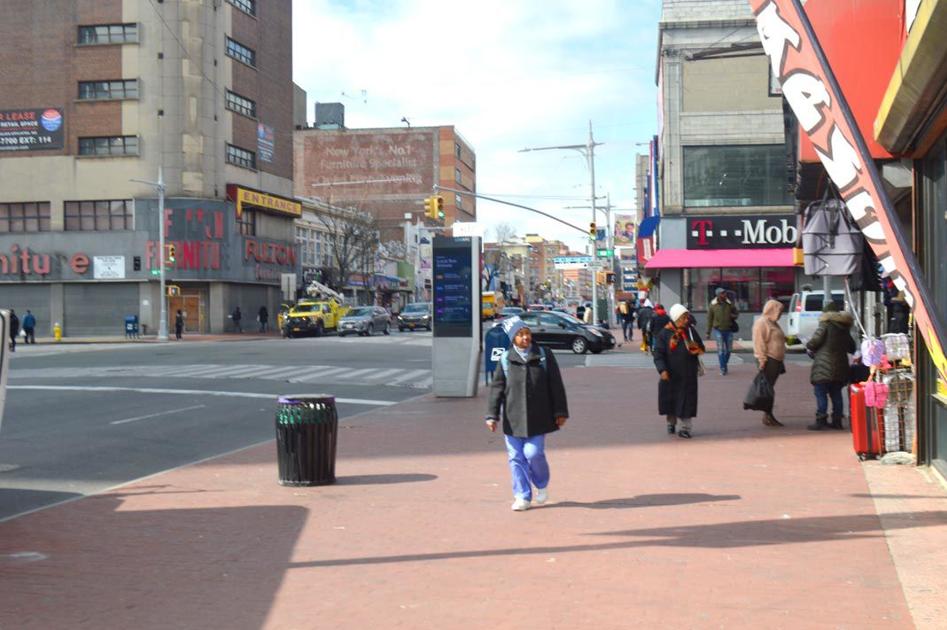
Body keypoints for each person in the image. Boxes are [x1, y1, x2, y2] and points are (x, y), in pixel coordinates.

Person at [485, 316, 569, 511]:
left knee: (533, 453)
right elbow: (497, 388)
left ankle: (541, 484)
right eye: (520, 334)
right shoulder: (506, 359)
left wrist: (560, 411)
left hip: (538, 417)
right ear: (513, 338)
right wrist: (492, 415)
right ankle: (522, 496)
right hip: (513, 418)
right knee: (516, 457)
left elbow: (556, 385)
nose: (525, 338)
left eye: (527, 333)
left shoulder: (543, 355)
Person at [653, 304, 705, 439]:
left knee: (687, 401)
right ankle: (671, 422)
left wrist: (696, 347)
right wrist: (662, 370)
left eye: (687, 317)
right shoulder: (664, 334)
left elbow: (701, 347)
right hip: (671, 374)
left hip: (688, 374)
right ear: (676, 318)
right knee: (671, 401)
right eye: (683, 317)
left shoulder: (690, 331)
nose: (686, 320)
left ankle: (685, 428)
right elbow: (658, 354)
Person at [806, 302, 856, 430]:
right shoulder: (844, 328)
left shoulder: (825, 325)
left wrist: (809, 345)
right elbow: (852, 347)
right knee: (836, 394)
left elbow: (814, 342)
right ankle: (837, 421)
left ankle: (821, 420)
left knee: (821, 393)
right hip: (840, 367)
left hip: (823, 366)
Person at [752, 299, 787, 427]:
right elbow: (759, 343)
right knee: (768, 390)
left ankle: (768, 415)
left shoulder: (773, 323)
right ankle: (768, 415)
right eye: (779, 311)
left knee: (769, 389)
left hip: (776, 360)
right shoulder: (762, 323)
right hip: (769, 360)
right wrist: (762, 360)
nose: (780, 314)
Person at [706, 287, 739, 375]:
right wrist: (708, 332)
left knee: (729, 350)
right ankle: (723, 368)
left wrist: (734, 316)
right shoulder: (713, 305)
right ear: (718, 295)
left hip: (729, 330)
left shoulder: (729, 303)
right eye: (723, 293)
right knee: (721, 350)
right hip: (718, 330)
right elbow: (709, 319)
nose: (725, 295)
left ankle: (724, 364)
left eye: (725, 293)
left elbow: (736, 313)